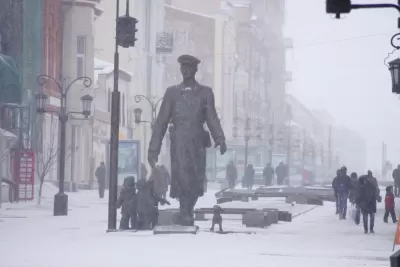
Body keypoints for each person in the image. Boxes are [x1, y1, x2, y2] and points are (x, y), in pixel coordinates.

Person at [147, 54, 227, 226]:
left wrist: (219, 137)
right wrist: (153, 149)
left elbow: (212, 117)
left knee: (196, 176)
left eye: (189, 68)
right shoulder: (172, 93)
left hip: (198, 140)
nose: (185, 71)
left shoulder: (205, 92)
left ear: (195, 70)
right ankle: (185, 211)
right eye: (183, 67)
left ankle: (188, 210)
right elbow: (161, 121)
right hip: (179, 141)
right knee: (181, 175)